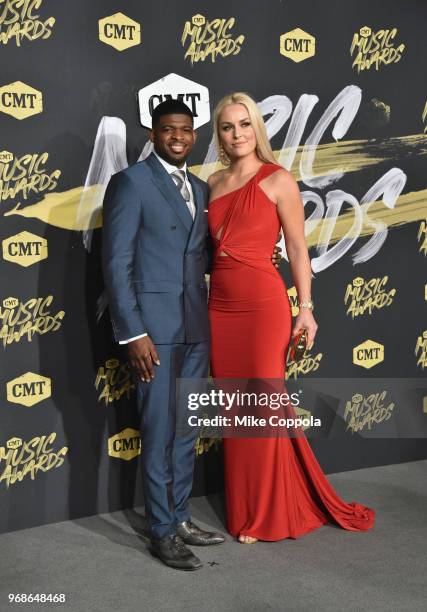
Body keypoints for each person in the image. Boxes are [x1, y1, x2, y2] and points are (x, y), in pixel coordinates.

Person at [102, 99, 282, 569]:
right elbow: (116, 264)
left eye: (185, 129)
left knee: (186, 430)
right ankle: (161, 529)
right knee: (160, 429)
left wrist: (264, 256)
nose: (177, 137)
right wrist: (132, 332)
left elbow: (211, 251)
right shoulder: (130, 183)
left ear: (195, 134)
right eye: (168, 130)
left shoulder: (202, 189)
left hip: (197, 326)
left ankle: (180, 517)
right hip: (153, 332)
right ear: (152, 134)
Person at [207, 92, 375, 544]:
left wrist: (306, 308)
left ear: (256, 129)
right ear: (218, 134)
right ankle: (248, 506)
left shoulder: (278, 179)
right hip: (220, 309)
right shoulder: (214, 182)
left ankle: (265, 514)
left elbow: (299, 249)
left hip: (263, 307)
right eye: (227, 127)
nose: (237, 134)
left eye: (244, 125)